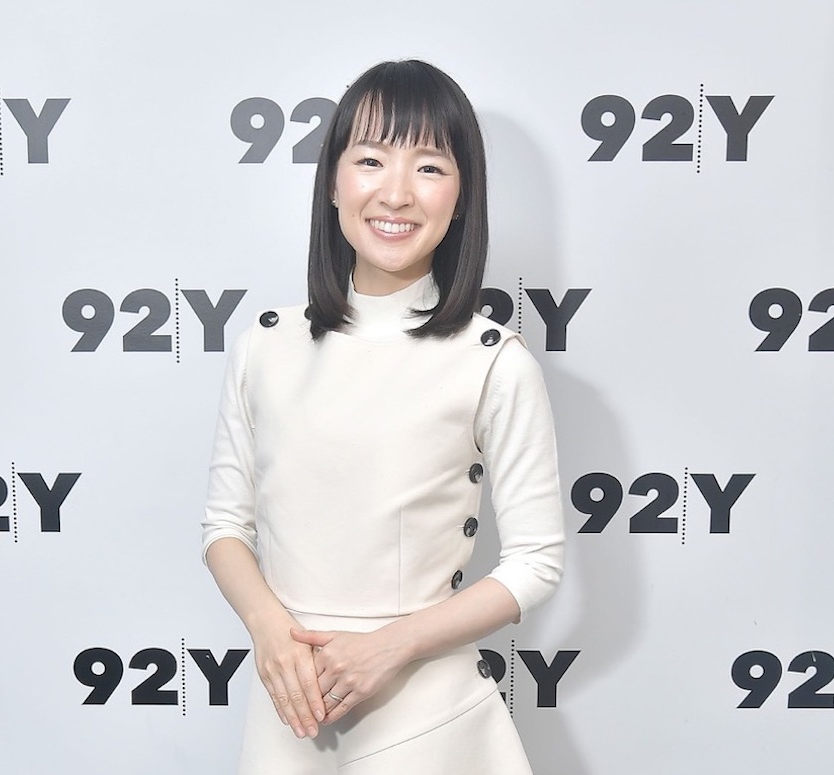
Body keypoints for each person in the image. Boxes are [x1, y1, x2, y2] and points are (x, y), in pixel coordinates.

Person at [201, 59, 564, 774]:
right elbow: (223, 525)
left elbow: (536, 562)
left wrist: (390, 645)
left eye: (429, 167)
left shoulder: (493, 359)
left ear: (461, 197)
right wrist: (270, 629)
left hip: (425, 716)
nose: (396, 192)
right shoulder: (263, 345)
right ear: (333, 181)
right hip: (289, 709)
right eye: (370, 159)